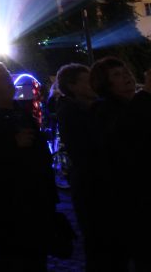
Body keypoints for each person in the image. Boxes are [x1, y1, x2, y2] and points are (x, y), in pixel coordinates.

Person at [0, 62, 57, 271]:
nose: (9, 78)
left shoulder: (20, 112)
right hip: (7, 205)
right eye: (3, 75)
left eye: (7, 74)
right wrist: (11, 144)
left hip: (34, 200)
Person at [87, 57, 146, 271]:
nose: (127, 77)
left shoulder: (137, 104)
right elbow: (122, 134)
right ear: (105, 84)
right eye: (117, 75)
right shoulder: (103, 110)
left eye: (126, 72)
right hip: (131, 205)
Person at [51, 63, 95, 267]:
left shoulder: (85, 107)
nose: (93, 85)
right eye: (87, 81)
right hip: (90, 182)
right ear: (72, 86)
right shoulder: (72, 111)